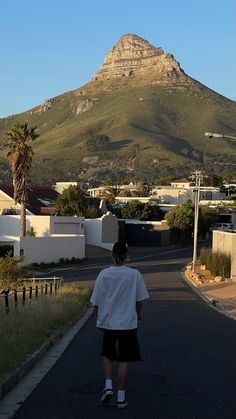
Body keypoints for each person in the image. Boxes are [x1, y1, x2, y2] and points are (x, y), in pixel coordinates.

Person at [90, 241, 149, 409]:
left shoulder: (103, 274)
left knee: (107, 354)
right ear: (126, 256)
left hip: (108, 322)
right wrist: (138, 317)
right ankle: (121, 398)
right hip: (128, 324)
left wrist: (99, 317)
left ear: (112, 255)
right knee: (124, 359)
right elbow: (139, 300)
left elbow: (96, 301)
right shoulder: (134, 275)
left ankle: (108, 386)